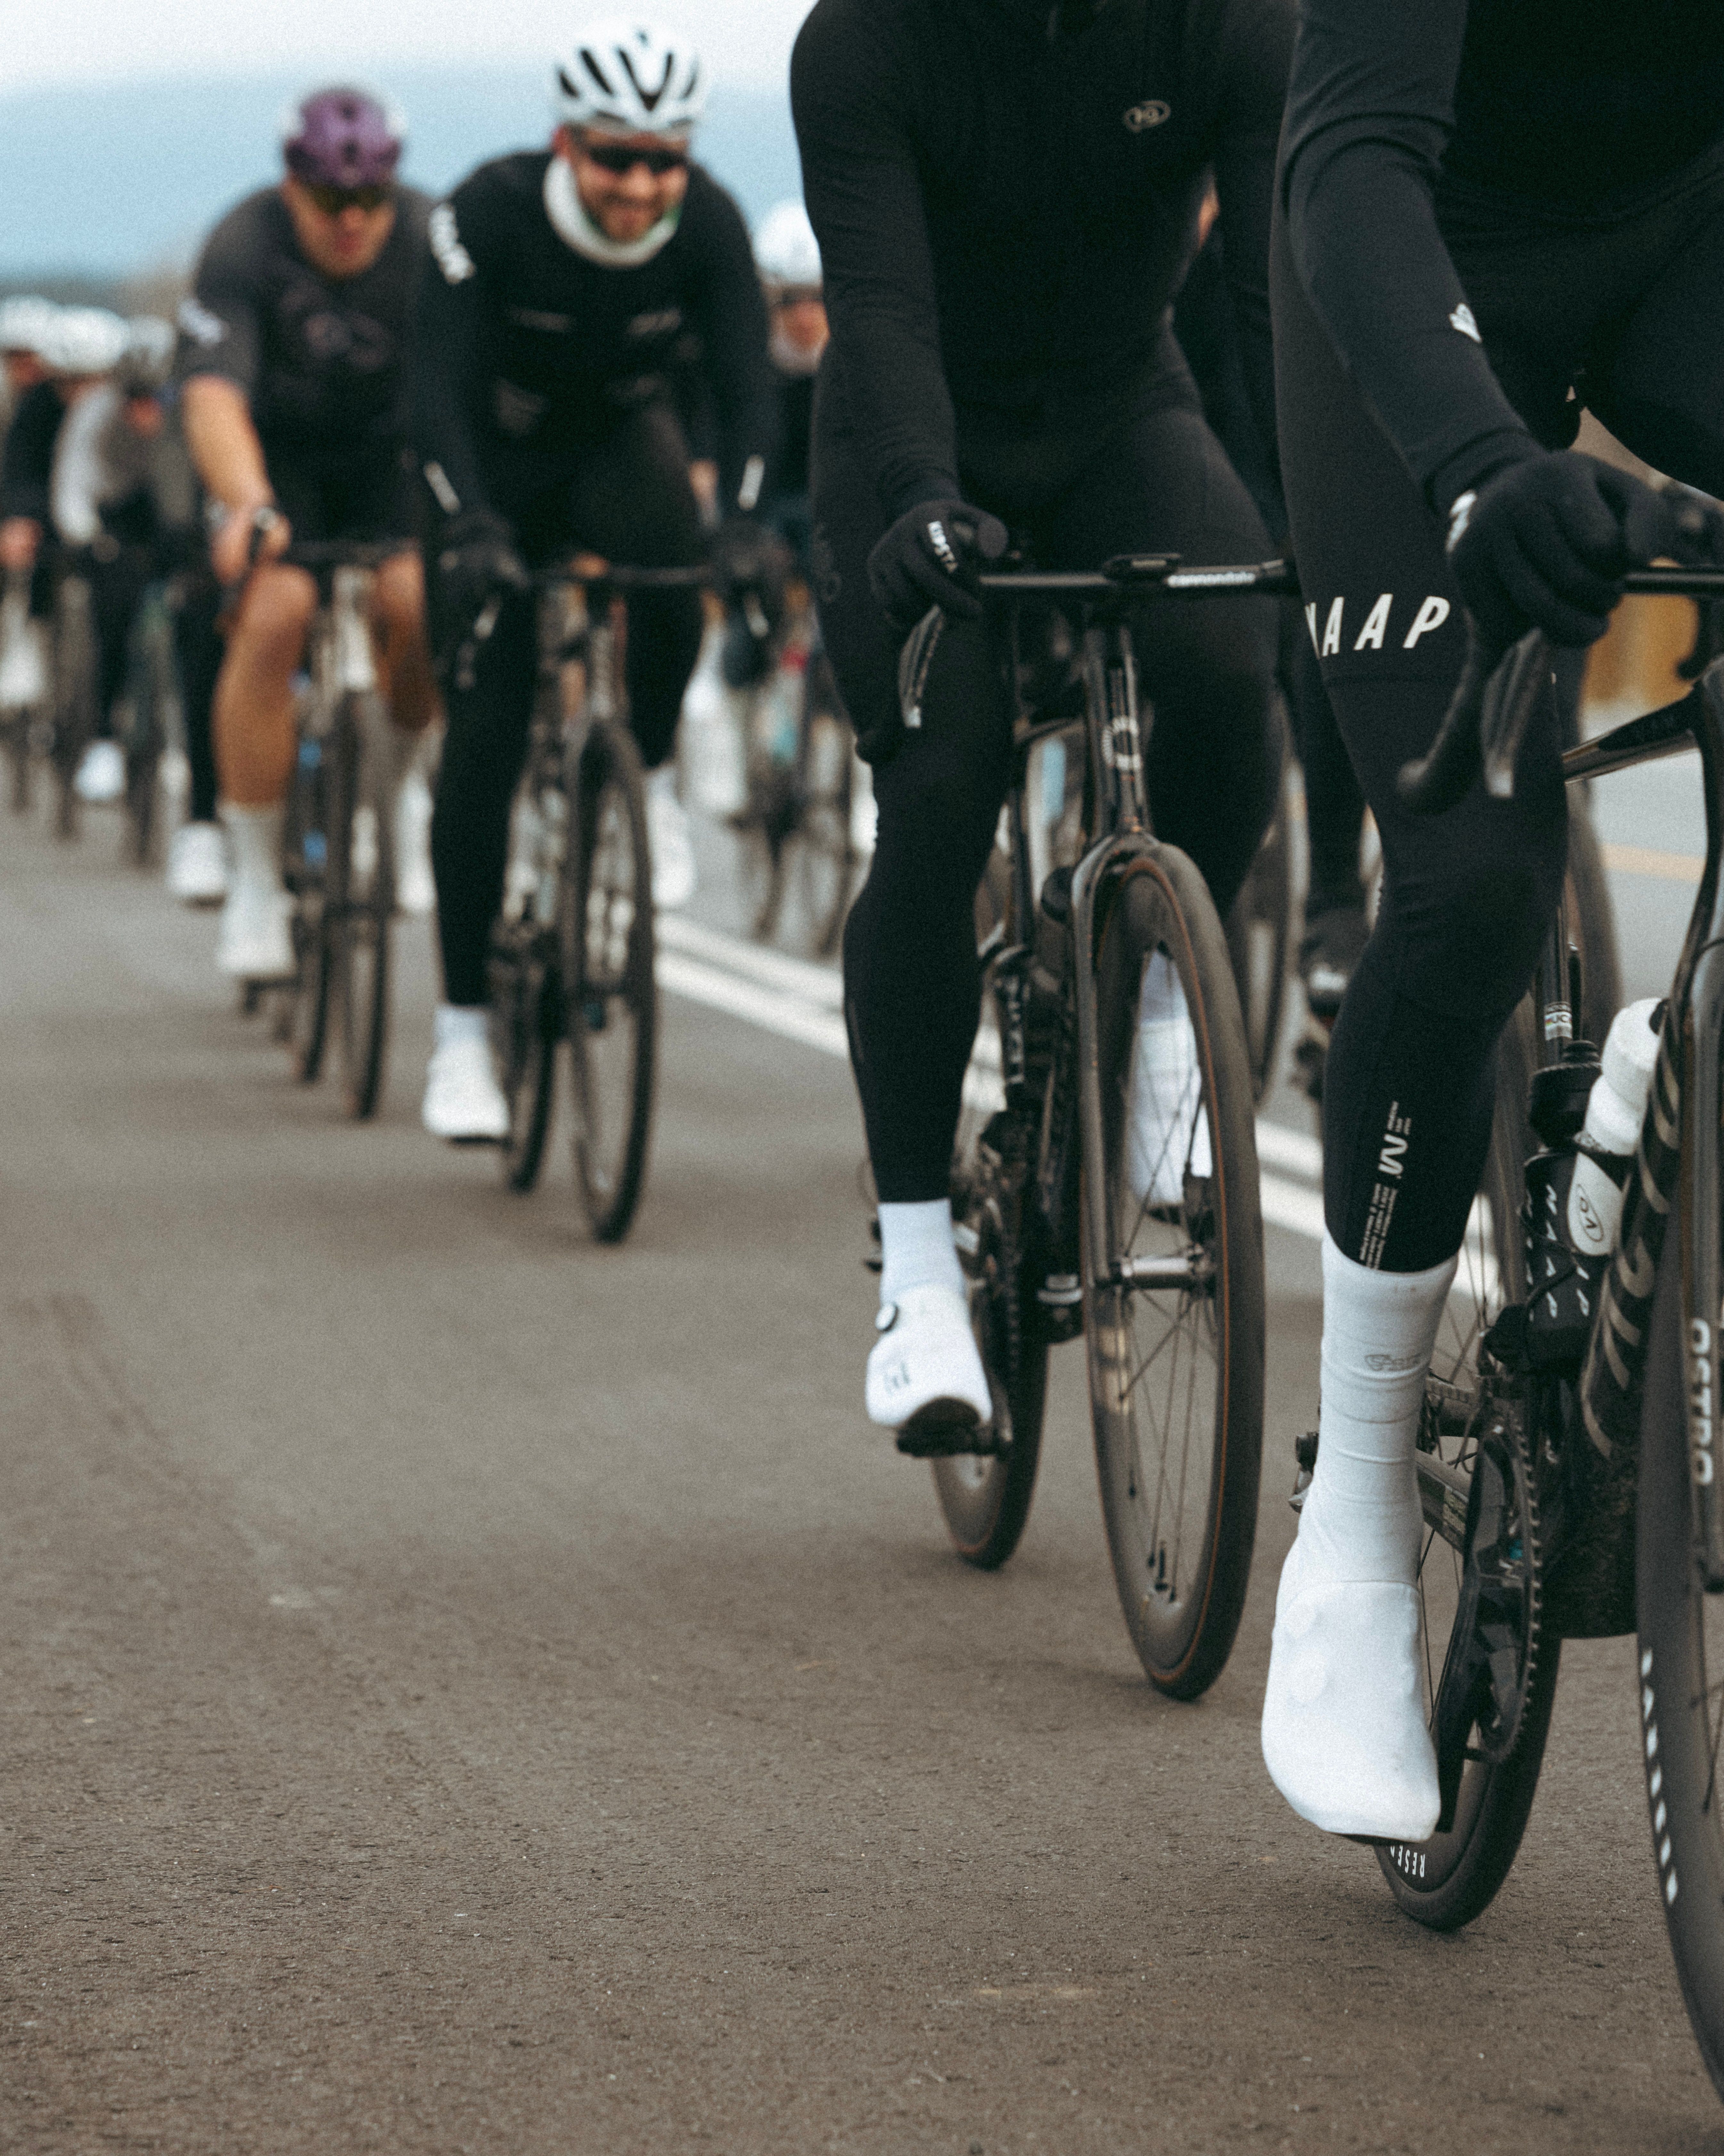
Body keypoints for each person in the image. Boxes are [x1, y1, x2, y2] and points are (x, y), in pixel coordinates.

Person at [1261, 0, 1724, 1843]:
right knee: (1468, 879)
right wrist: (1466, 466)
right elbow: (1351, 156)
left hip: (1679, 240)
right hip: (1409, 261)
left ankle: (1656, 1072)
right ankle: (1355, 1520)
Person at [792, 0, 1291, 1447]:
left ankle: (1151, 1001)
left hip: (1122, 407)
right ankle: (923, 1273)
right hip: (912, 429)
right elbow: (876, 309)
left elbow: (1269, 295)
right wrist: (919, 494)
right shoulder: (866, 41)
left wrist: (1327, 512)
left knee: (1226, 662)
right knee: (941, 794)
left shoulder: (1227, 25)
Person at [413, 17, 778, 1142]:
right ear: (568, 144)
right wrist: (465, 525)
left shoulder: (705, 222)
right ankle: (463, 1035)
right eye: (616, 155)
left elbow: (748, 383)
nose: (639, 183)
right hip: (492, 465)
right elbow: (430, 393)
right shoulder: (487, 212)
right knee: (481, 737)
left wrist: (749, 527)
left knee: (677, 571)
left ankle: (651, 772)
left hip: (620, 447)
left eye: (663, 158)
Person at [177, 86, 438, 981]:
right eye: (331, 199)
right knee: (276, 609)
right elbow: (212, 396)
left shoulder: (427, 237)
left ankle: (391, 787)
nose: (353, 219)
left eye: (371, 199)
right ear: (293, 185)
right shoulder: (245, 240)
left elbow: (464, 384)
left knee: (416, 602)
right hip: (277, 461)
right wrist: (245, 503)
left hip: (386, 461)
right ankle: (254, 878)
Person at [0, 306, 138, 804]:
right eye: (70, 384)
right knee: (29, 559)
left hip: (113, 515)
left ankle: (115, 717)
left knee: (122, 595)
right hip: (51, 512)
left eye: (94, 381)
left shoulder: (129, 408)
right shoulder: (37, 408)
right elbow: (19, 471)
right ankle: (30, 649)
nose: (81, 395)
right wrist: (18, 520)